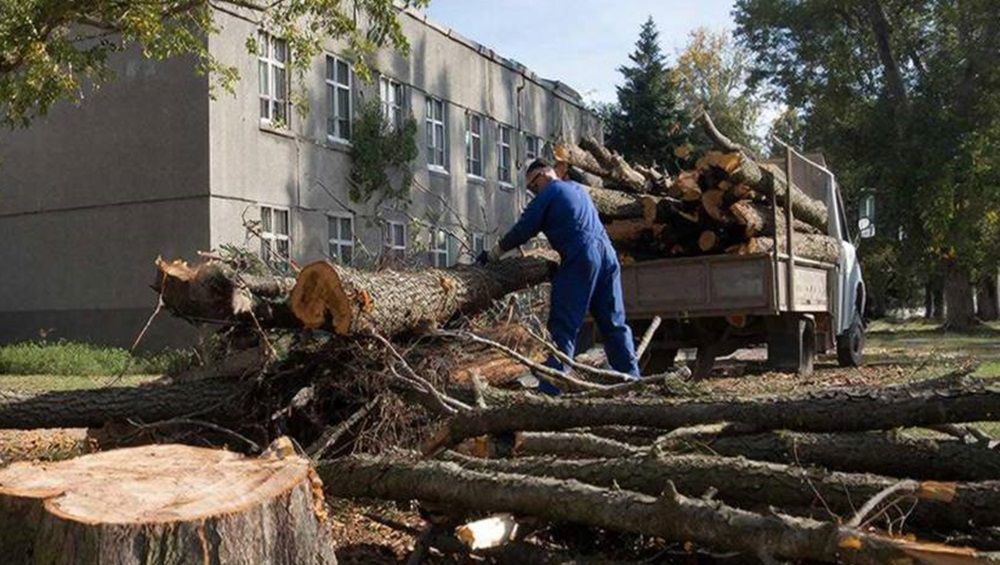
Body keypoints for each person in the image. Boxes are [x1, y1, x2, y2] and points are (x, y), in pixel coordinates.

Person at [479, 159, 640, 393]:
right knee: (614, 323)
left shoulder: (551, 192)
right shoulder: (577, 190)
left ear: (544, 174)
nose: (534, 192)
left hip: (581, 255)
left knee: (563, 324)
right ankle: (632, 381)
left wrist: (493, 254)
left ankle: (551, 389)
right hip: (608, 256)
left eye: (533, 186)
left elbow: (524, 228)